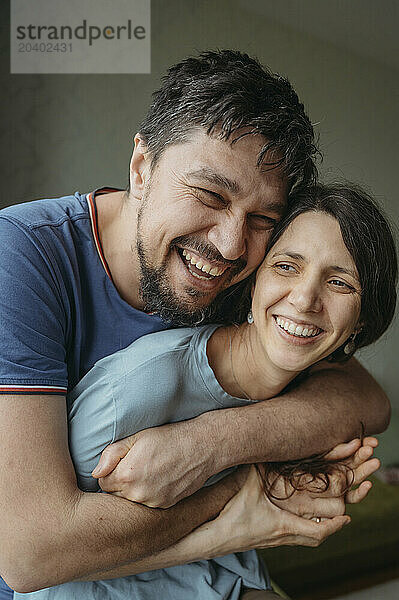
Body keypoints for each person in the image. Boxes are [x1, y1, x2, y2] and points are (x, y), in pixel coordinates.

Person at [0, 51, 390, 597]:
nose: (230, 246)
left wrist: (208, 444)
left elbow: (366, 399)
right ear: (142, 167)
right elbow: (28, 552)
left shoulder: (240, 276)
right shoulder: (23, 254)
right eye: (210, 195)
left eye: (262, 220)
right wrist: (242, 491)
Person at [46, 182, 394, 600]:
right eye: (286, 266)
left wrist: (283, 493)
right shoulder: (142, 385)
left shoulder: (307, 389)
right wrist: (244, 501)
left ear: (360, 320)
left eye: (340, 283)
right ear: (252, 281)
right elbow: (49, 559)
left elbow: (375, 407)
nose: (304, 300)